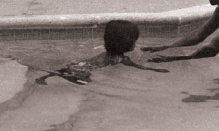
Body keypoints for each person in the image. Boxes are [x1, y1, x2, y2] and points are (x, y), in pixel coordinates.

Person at [36, 20, 169, 85]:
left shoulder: (106, 53)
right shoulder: (120, 58)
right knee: (85, 80)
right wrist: (156, 71)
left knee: (67, 69)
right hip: (88, 69)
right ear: (127, 43)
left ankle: (45, 77)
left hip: (84, 64)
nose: (135, 43)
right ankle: (55, 77)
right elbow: (137, 66)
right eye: (134, 41)